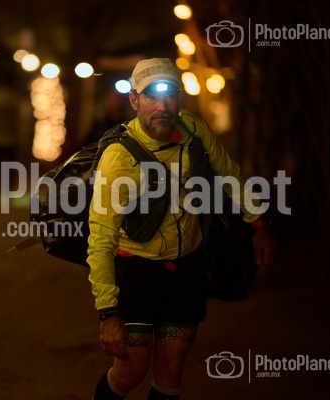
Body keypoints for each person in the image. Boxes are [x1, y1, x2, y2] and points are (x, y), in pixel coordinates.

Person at [87, 58, 276, 400]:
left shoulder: (192, 129)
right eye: (151, 97)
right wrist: (108, 314)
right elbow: (100, 238)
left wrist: (258, 224)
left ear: (179, 97)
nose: (162, 106)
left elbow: (229, 173)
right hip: (136, 272)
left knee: (171, 372)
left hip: (187, 270)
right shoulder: (119, 159)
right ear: (134, 100)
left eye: (170, 95)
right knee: (130, 373)